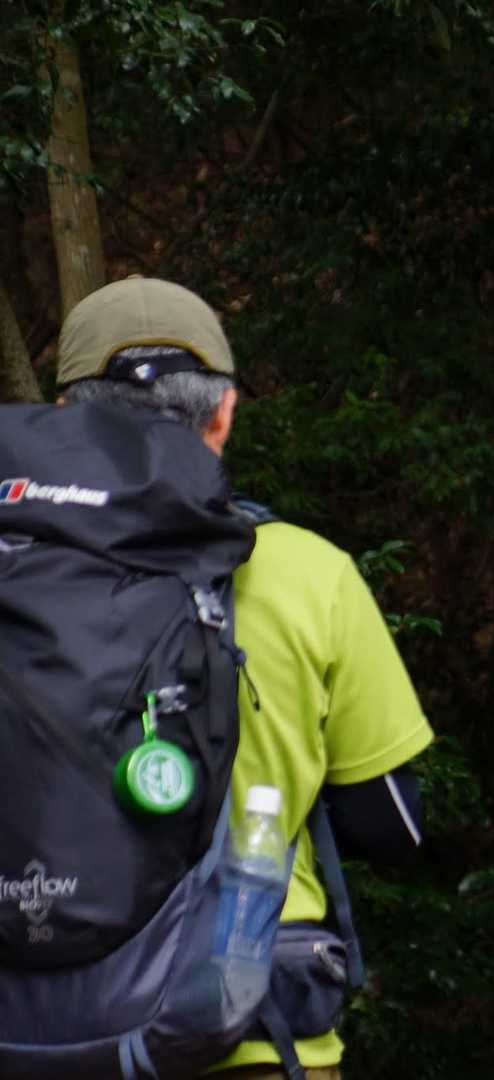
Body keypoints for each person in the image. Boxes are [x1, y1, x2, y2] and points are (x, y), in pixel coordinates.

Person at [55, 277, 434, 1079]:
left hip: (41, 1026)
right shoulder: (310, 572)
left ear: (61, 418)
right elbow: (392, 828)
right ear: (224, 413)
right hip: (250, 1018)